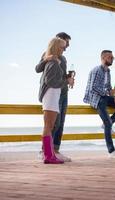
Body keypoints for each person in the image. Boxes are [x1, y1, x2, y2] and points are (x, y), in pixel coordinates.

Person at [83, 50, 115, 159]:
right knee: (108, 122)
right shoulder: (97, 70)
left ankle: (106, 124)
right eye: (110, 57)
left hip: (103, 97)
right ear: (103, 58)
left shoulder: (107, 71)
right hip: (95, 98)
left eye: (112, 57)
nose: (113, 58)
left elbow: (108, 88)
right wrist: (107, 93)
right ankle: (111, 151)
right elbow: (93, 88)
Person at [35, 32, 74, 162]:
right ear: (58, 42)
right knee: (51, 124)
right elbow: (48, 77)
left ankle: (52, 152)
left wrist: (68, 80)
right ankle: (46, 152)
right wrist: (47, 59)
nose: (66, 47)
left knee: (58, 123)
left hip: (60, 92)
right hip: (52, 93)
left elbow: (58, 76)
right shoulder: (50, 57)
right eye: (65, 44)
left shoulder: (61, 59)